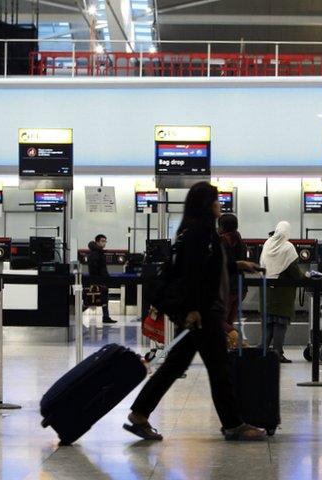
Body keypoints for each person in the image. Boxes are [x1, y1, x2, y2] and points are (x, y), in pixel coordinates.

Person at [125, 182, 266, 442]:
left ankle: (140, 413)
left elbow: (206, 266)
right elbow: (192, 272)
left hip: (198, 311)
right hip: (202, 312)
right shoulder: (200, 231)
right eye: (215, 200)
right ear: (205, 204)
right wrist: (191, 309)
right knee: (219, 368)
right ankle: (233, 424)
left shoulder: (193, 230)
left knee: (175, 365)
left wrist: (238, 264)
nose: (219, 205)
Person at [259, 221, 305, 363]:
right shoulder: (288, 247)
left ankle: (263, 352)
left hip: (266, 291)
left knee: (268, 324)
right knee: (280, 325)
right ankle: (277, 353)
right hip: (282, 294)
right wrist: (306, 277)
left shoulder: (267, 244)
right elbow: (294, 272)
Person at [219, 213, 257, 349]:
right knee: (229, 320)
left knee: (218, 320)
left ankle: (237, 337)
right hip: (240, 288)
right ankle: (228, 351)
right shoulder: (241, 241)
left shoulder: (221, 242)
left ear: (221, 227)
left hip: (225, 289)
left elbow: (224, 265)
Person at [85, 234, 115, 324]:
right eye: (102, 241)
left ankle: (106, 316)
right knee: (95, 299)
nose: (104, 243)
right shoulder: (95, 253)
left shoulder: (98, 252)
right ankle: (105, 317)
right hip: (98, 279)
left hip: (100, 279)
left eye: (105, 241)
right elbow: (96, 268)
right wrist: (101, 278)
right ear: (97, 241)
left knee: (103, 298)